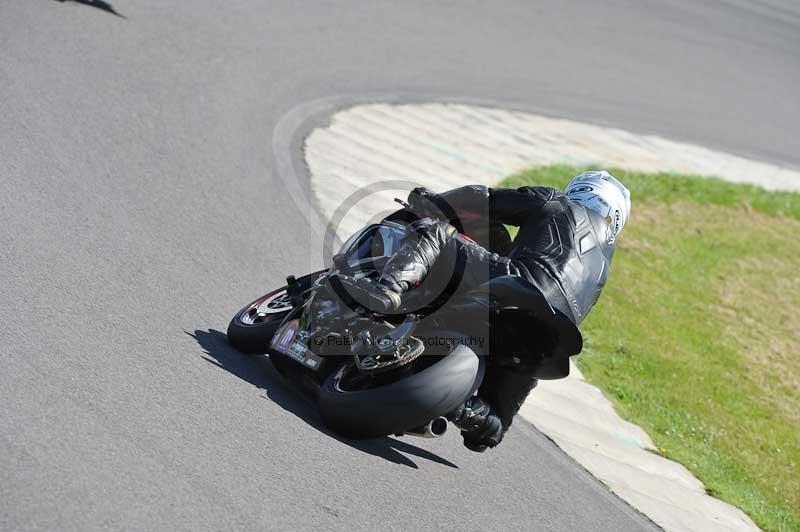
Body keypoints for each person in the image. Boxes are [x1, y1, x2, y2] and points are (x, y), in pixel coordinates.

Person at [342, 171, 631, 452]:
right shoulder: (603, 268)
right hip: (551, 335)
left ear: (582, 191)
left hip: (518, 282)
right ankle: (470, 412)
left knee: (434, 230)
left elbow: (482, 200)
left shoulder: (556, 202)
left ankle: (388, 289)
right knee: (492, 426)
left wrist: (434, 202)